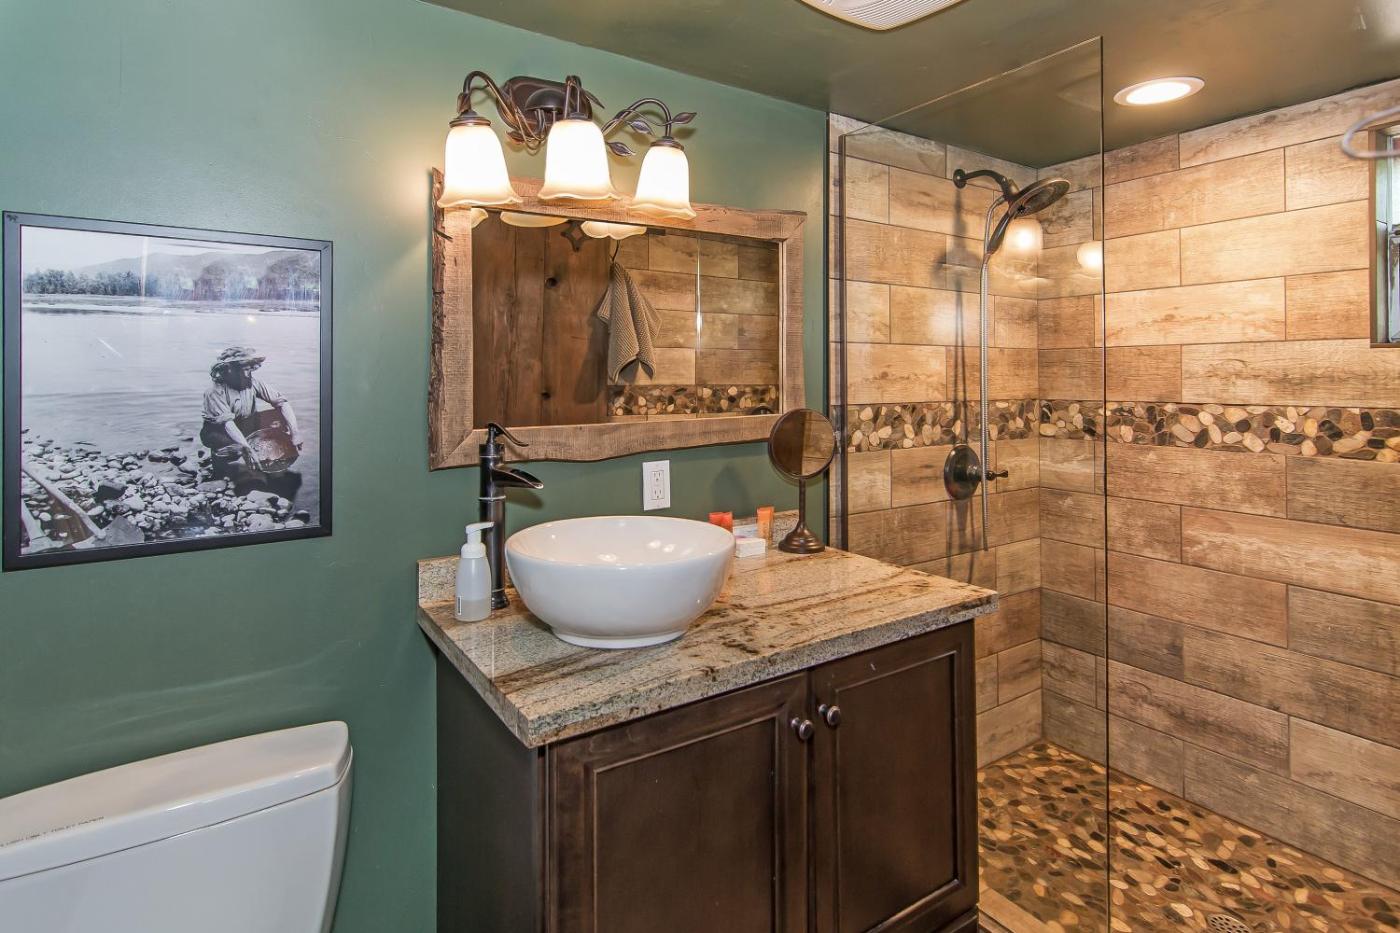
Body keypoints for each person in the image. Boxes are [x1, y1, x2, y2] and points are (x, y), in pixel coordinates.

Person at [199, 346, 302, 471]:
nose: (245, 374)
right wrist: (246, 447)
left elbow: (282, 403)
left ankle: (260, 453)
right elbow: (227, 424)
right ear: (229, 370)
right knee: (234, 448)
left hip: (246, 423)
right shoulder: (214, 392)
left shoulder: (253, 382)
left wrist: (295, 433)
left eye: (247, 369)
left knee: (279, 416)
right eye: (240, 370)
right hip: (218, 430)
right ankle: (224, 460)